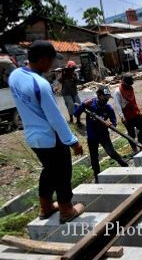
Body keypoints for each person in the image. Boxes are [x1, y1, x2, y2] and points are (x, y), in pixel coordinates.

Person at [8, 40, 85, 223]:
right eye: (51, 60)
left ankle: (46, 207)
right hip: (50, 137)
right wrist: (73, 142)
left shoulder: (15, 76)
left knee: (49, 170)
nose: (52, 65)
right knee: (63, 171)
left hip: (33, 138)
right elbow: (55, 118)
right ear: (42, 59)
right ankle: (66, 209)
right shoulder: (41, 84)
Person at [75, 86, 128, 183]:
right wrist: (83, 105)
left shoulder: (108, 108)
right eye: (105, 97)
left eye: (108, 97)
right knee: (94, 158)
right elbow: (75, 113)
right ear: (98, 95)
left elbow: (114, 121)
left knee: (111, 152)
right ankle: (97, 177)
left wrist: (110, 124)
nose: (106, 99)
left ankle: (124, 165)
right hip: (92, 136)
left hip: (103, 134)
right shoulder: (90, 103)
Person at [113, 74, 142, 152]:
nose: (129, 85)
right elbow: (118, 106)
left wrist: (138, 110)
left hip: (135, 112)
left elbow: (133, 100)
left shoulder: (130, 88)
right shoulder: (117, 92)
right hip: (127, 115)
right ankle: (135, 149)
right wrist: (122, 117)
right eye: (128, 84)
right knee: (131, 135)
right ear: (124, 82)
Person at [59, 60, 81, 125]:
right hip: (66, 92)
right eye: (72, 68)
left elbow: (78, 81)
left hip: (74, 92)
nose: (73, 69)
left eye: (73, 68)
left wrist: (72, 77)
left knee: (78, 104)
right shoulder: (64, 74)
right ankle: (71, 119)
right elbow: (60, 81)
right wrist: (63, 74)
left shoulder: (75, 74)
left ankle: (78, 120)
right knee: (70, 105)